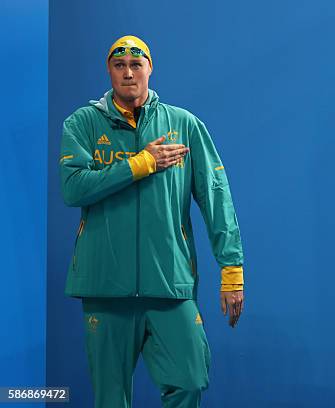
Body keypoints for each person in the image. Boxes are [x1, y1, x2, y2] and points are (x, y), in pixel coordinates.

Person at [59, 35, 245, 408]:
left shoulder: (184, 124)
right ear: (109, 71)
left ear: (150, 69)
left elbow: (216, 196)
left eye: (136, 65)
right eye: (119, 66)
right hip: (104, 286)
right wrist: (139, 164)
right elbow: (73, 188)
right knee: (110, 400)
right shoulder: (82, 123)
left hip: (169, 285)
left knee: (190, 381)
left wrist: (232, 270)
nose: (128, 73)